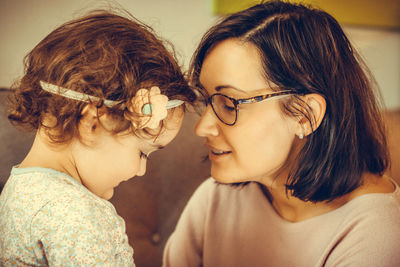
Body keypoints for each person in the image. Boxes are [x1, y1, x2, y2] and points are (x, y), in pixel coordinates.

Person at [163, 1, 400, 266]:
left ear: (304, 115)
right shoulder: (215, 198)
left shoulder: (376, 235)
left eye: (229, 104)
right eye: (207, 100)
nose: (201, 127)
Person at [0, 10, 194, 266]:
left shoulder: (16, 191)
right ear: (91, 123)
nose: (140, 170)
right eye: (142, 152)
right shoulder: (80, 215)